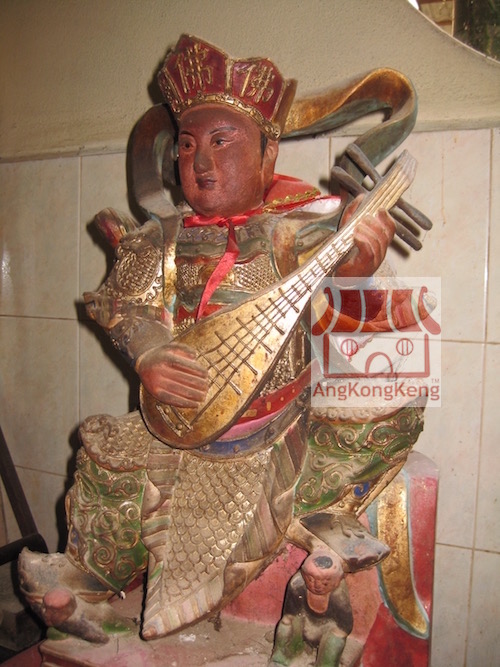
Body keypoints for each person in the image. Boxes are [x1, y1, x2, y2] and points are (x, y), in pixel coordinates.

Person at [18, 34, 424, 645]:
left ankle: (308, 543)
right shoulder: (162, 240)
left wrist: (359, 264)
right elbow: (129, 306)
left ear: (267, 153)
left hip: (275, 433)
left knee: (387, 419)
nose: (200, 161)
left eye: (222, 141)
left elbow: (349, 296)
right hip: (178, 432)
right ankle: (87, 581)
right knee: (106, 457)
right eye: (187, 145)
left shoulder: (293, 233)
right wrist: (149, 351)